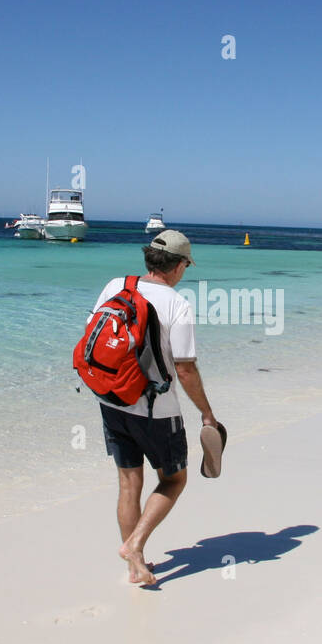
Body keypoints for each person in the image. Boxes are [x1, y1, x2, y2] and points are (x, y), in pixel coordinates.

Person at [87, 230, 219, 585]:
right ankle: (135, 546)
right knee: (174, 479)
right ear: (177, 266)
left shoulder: (117, 285)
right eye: (185, 267)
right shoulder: (177, 304)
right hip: (155, 410)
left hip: (111, 399)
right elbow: (186, 369)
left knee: (129, 483)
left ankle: (136, 567)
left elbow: (93, 333)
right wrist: (206, 413)